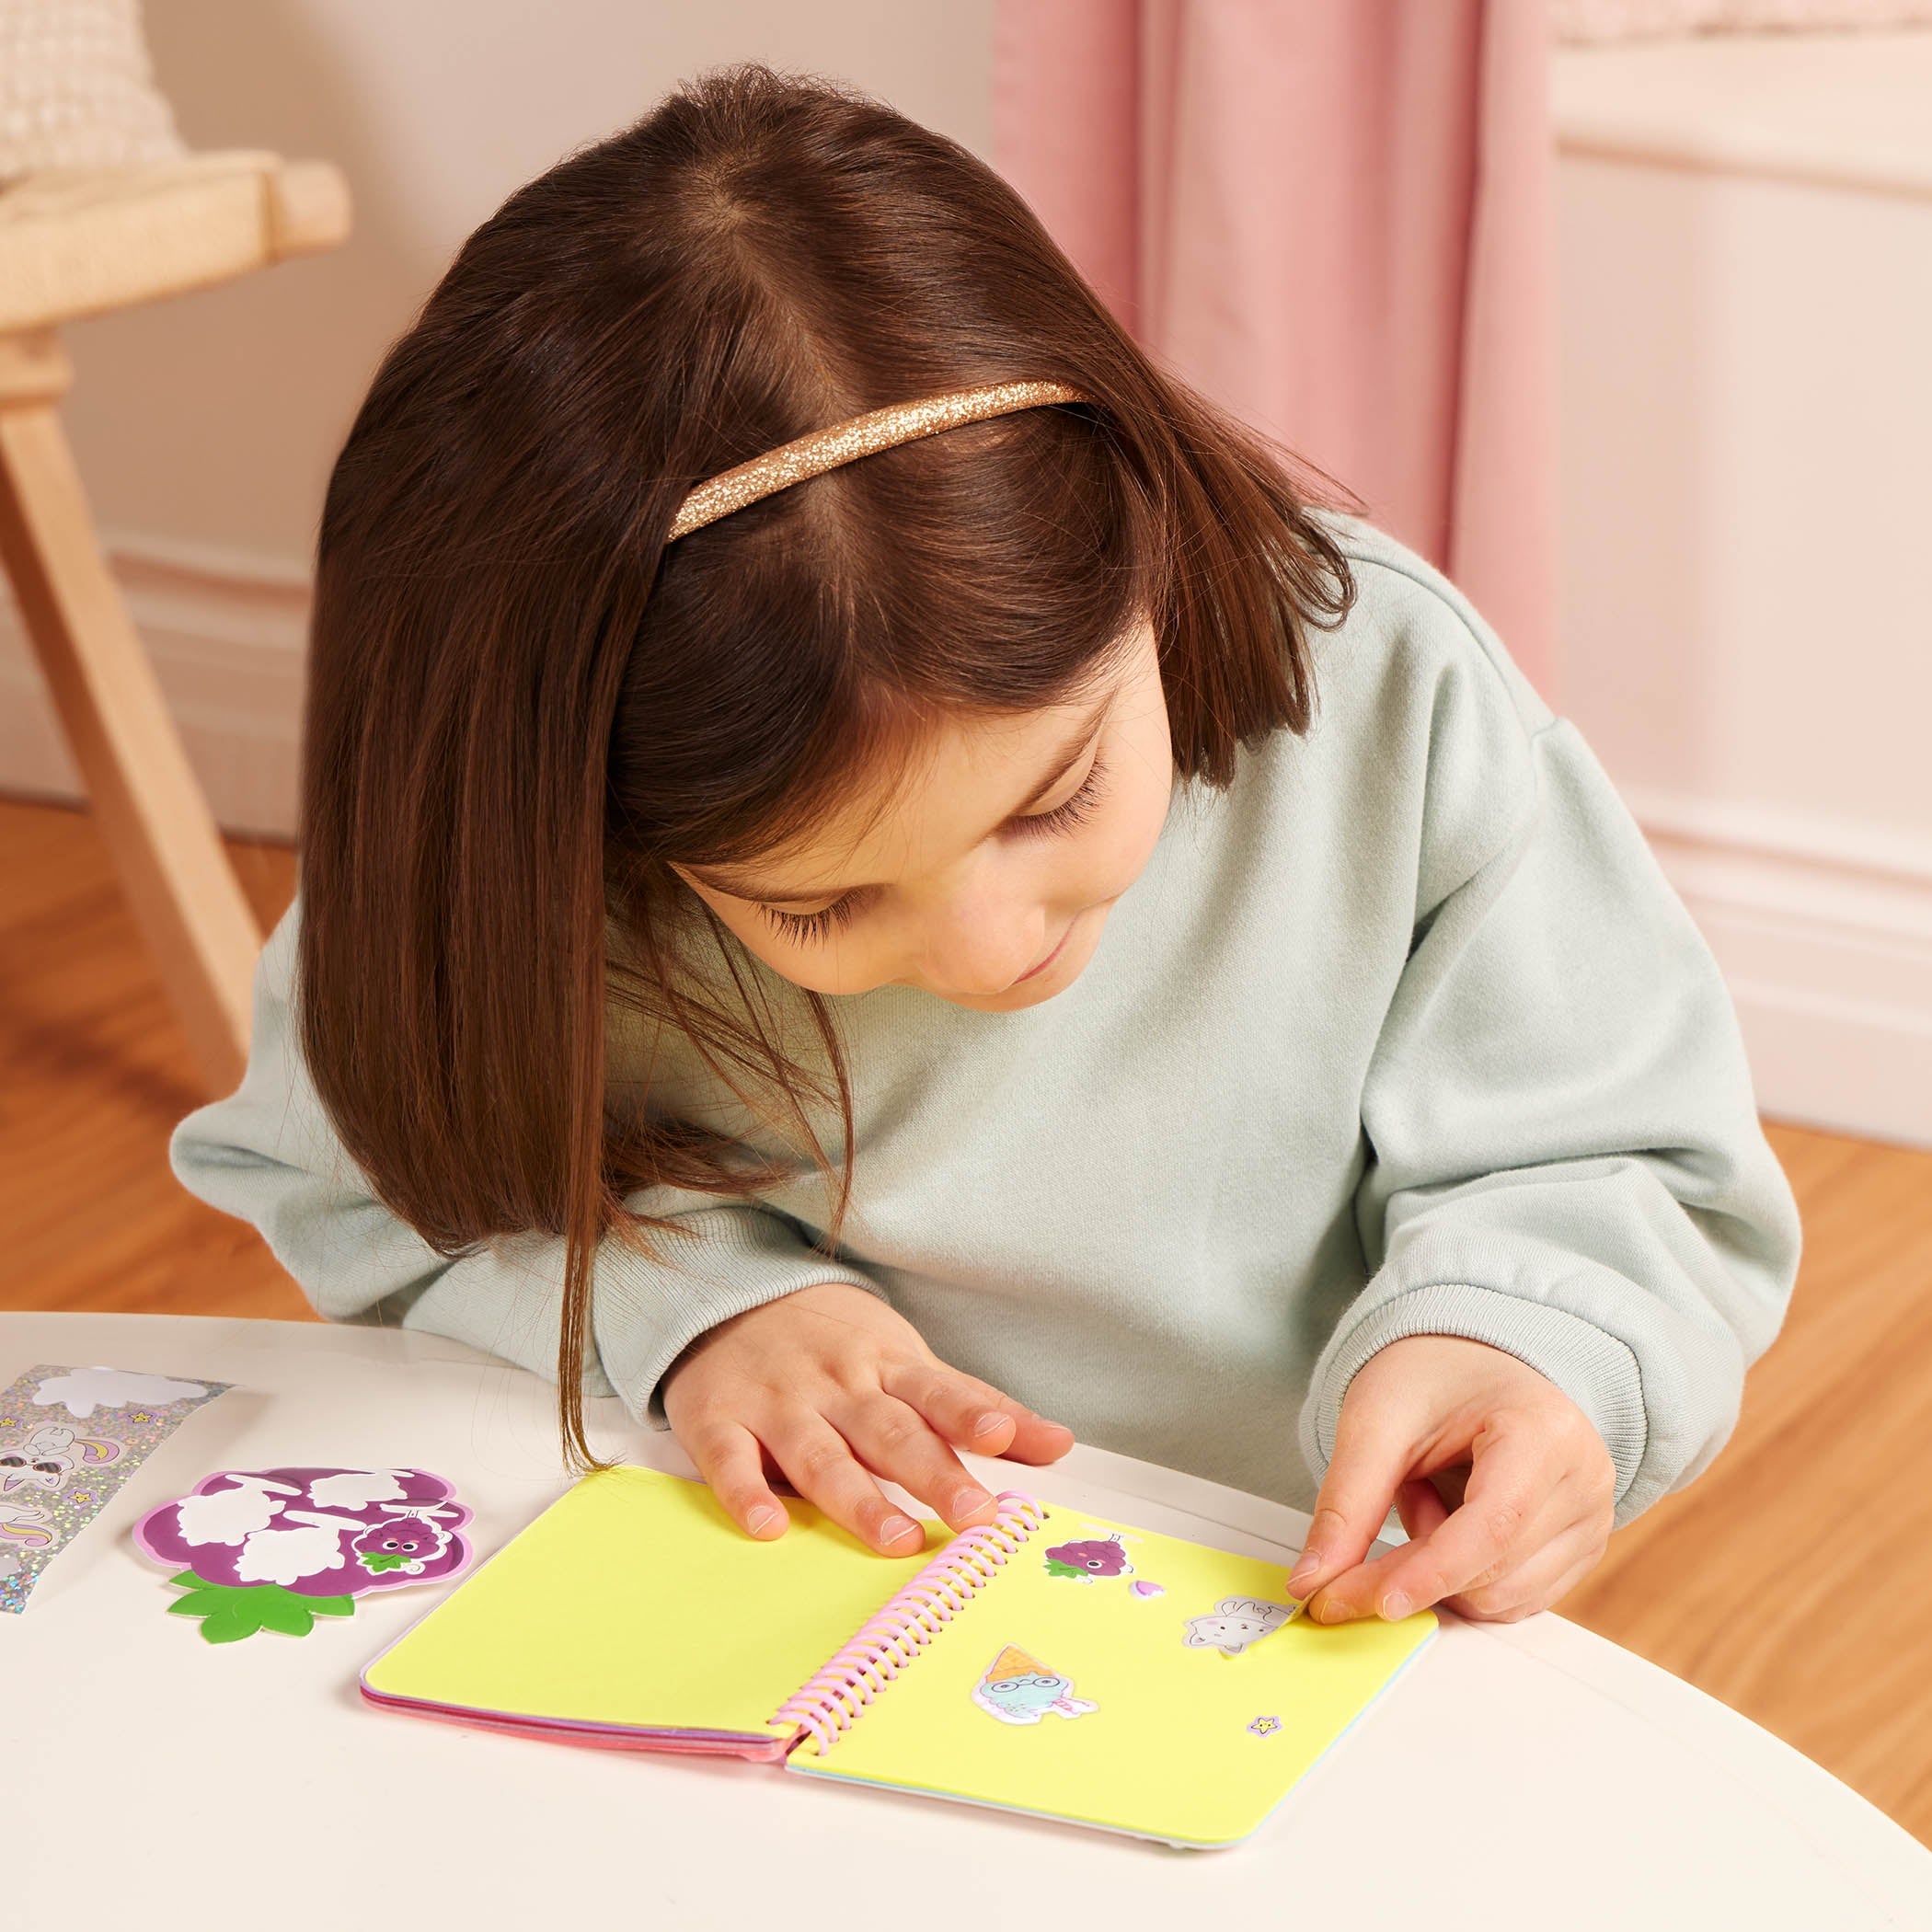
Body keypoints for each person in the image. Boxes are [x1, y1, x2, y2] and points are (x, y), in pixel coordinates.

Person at [171, 64, 1800, 1629]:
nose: (989, 946)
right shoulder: (542, 842)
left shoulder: (1384, 693)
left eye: (1056, 798)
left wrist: (1528, 1343)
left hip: (1274, 1616)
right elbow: (366, 1173)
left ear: (1150, 543)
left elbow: (1615, 1150)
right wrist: (697, 1310)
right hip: (768, 1608)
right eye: (821, 903)